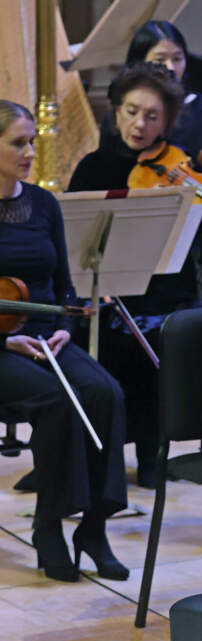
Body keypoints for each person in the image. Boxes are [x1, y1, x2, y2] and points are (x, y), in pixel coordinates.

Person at [69, 62, 202, 485]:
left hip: (164, 291)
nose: (139, 125)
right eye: (131, 112)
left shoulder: (182, 165)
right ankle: (95, 463)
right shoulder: (92, 167)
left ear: (167, 121)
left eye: (152, 116)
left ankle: (152, 454)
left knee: (165, 345)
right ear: (116, 111)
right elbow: (72, 236)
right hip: (107, 291)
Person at [0, 101, 129, 582]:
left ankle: (94, 527)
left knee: (105, 392)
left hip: (45, 334)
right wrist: (7, 343)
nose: (30, 152)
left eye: (32, 141)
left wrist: (65, 329)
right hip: (2, 344)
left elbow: (65, 287)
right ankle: (49, 525)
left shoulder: (44, 204)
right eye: (18, 143)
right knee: (56, 399)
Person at [98, 20, 202, 163]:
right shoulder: (120, 111)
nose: (171, 67)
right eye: (160, 60)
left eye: (177, 59)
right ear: (139, 63)